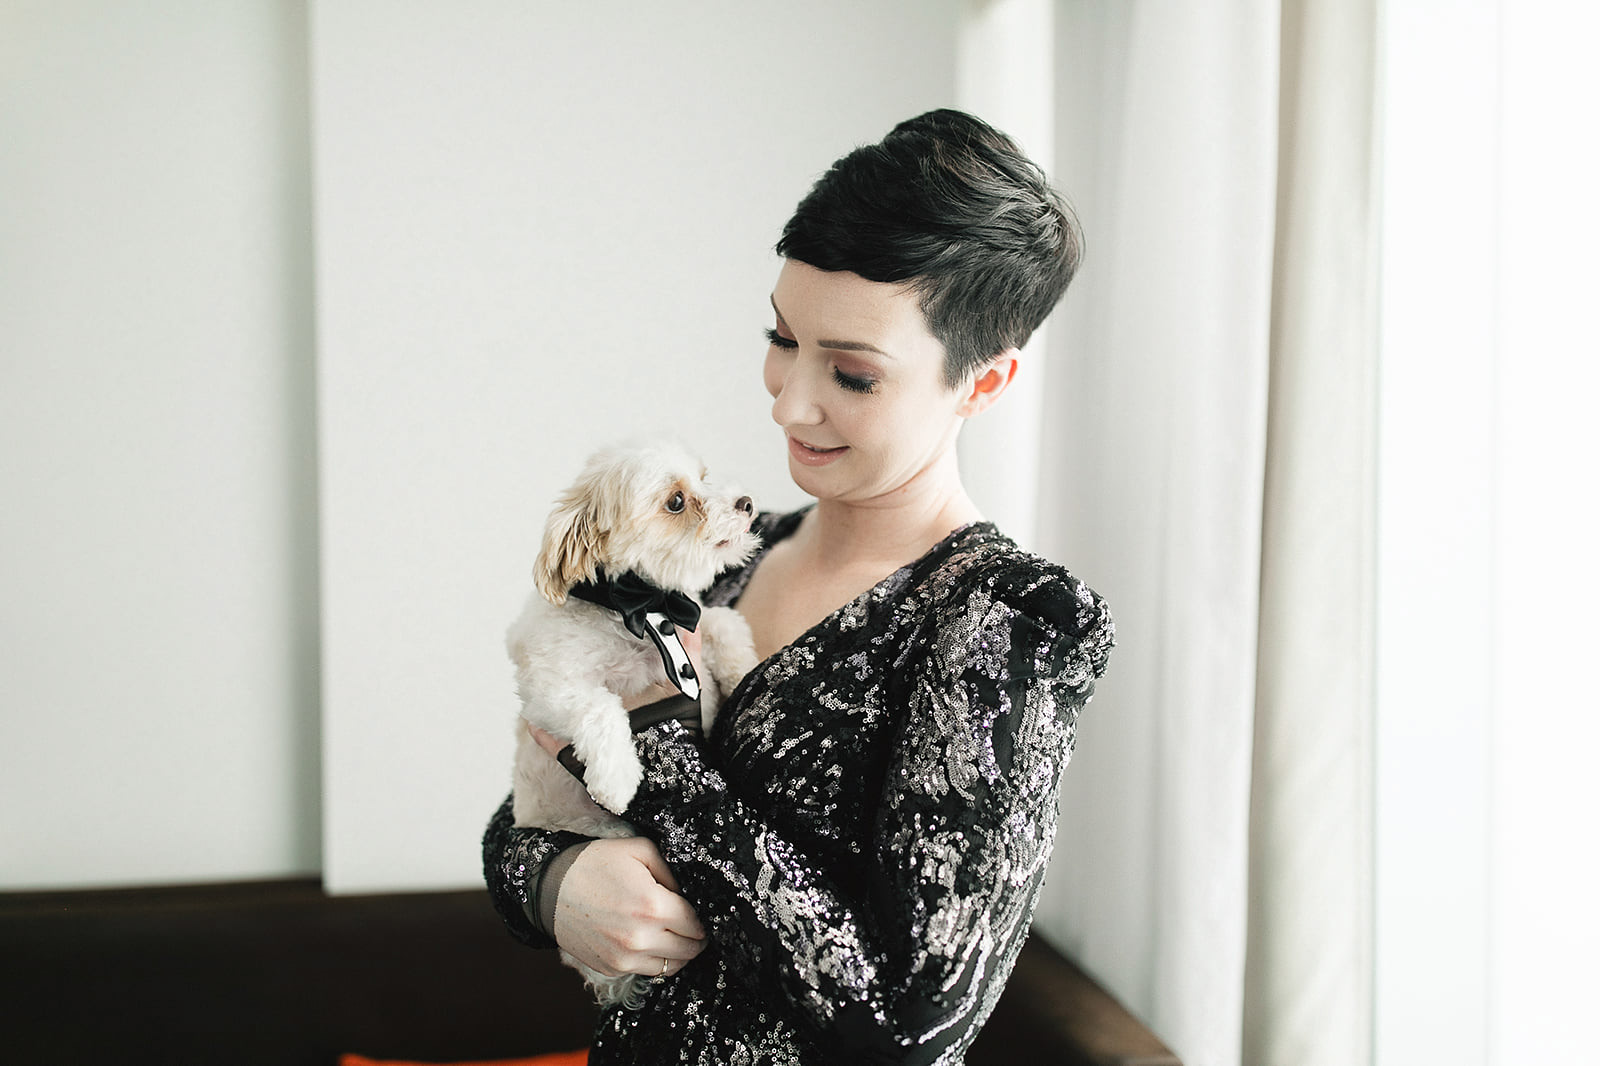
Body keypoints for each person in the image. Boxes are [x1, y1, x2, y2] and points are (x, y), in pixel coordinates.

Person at [483, 108, 1114, 1066]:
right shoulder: (720, 563)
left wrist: (668, 765)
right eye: (783, 339)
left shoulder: (1004, 622)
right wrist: (551, 884)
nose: (787, 400)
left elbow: (911, 1023)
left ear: (982, 384)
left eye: (852, 375)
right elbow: (530, 798)